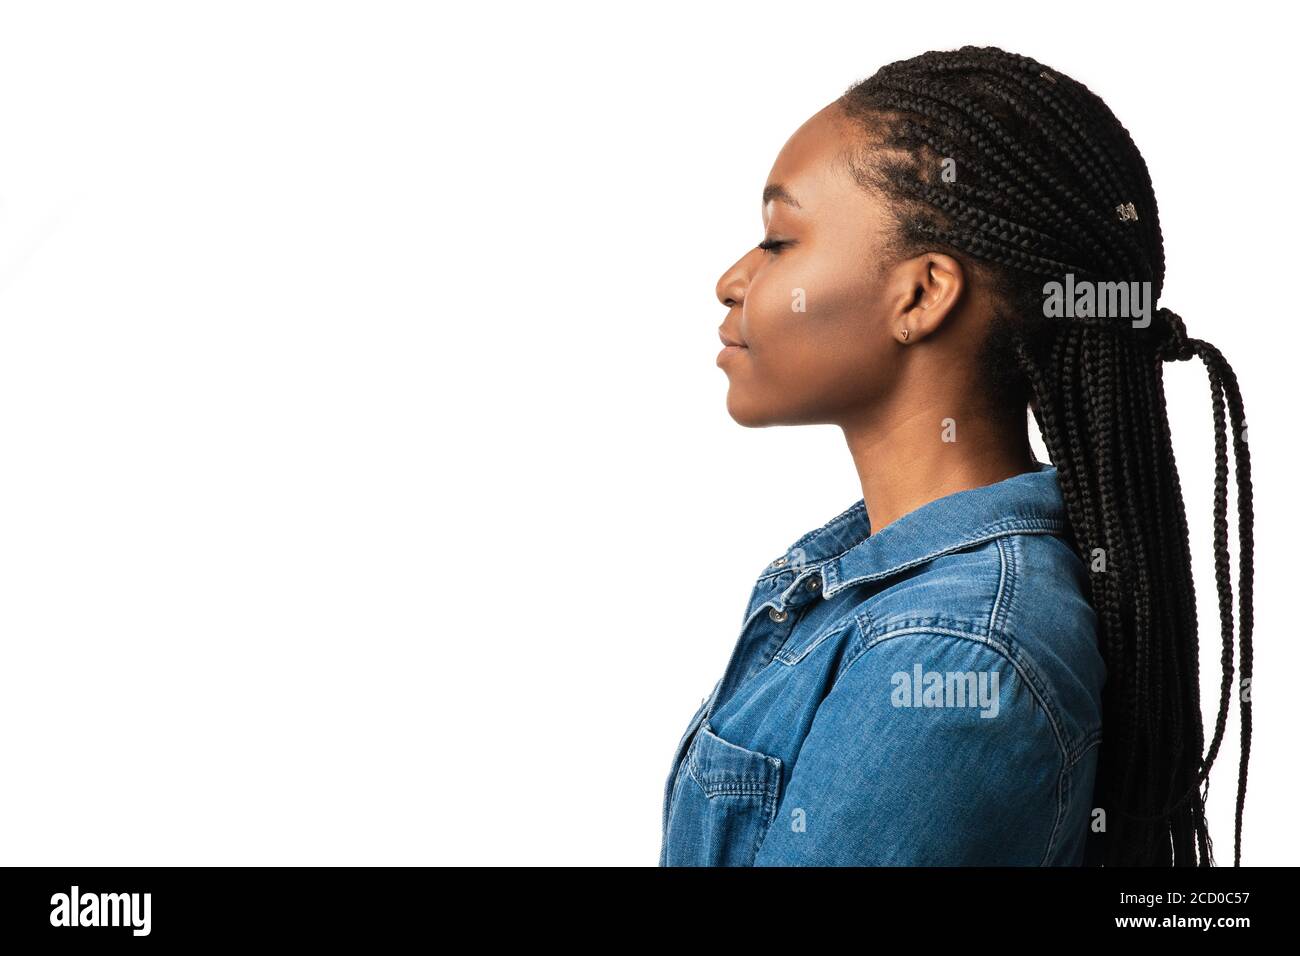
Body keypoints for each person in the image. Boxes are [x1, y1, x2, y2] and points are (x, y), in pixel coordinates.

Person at [659, 46, 1252, 867]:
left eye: (778, 241)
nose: (732, 280)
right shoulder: (878, 586)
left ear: (923, 294)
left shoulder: (951, 655)